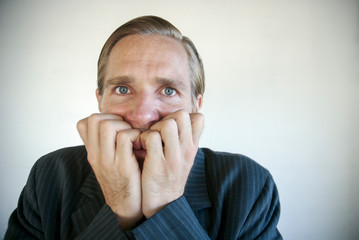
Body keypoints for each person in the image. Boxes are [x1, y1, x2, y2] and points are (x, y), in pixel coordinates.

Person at [5, 16, 282, 239]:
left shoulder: (250, 184)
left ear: (195, 107)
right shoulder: (50, 176)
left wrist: (165, 203)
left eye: (169, 90)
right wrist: (121, 208)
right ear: (100, 100)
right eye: (123, 88)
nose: (142, 115)